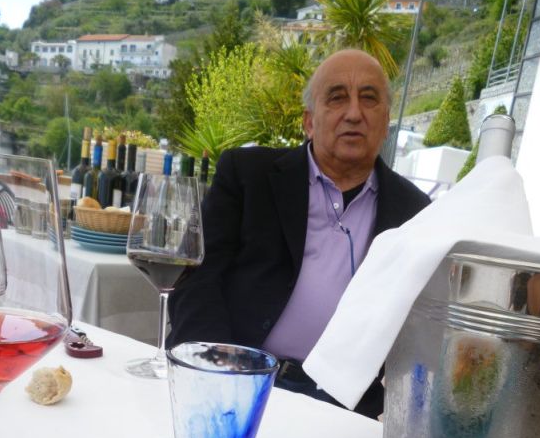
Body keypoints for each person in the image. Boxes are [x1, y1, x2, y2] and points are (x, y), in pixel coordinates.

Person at [167, 48, 431, 418]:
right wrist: (220, 372)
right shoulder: (248, 175)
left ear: (385, 122)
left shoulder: (414, 211)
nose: (354, 113)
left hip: (343, 405)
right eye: (337, 97)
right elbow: (196, 276)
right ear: (309, 121)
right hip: (238, 379)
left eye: (369, 98)